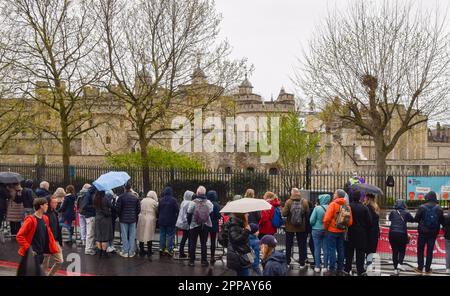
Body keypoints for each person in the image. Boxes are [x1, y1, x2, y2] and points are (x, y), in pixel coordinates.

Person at [16, 198, 59, 275]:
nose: (47, 206)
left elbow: (47, 235)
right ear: (41, 206)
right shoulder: (30, 220)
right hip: (33, 254)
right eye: (46, 204)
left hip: (41, 253)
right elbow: (19, 236)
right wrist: (29, 250)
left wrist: (49, 249)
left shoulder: (45, 218)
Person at [323, 189, 353, 276]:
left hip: (332, 231)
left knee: (332, 250)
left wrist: (326, 228)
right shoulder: (347, 206)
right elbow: (350, 222)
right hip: (342, 231)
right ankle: (340, 269)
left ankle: (332, 269)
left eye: (335, 193)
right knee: (341, 250)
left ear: (338, 195)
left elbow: (326, 219)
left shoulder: (333, 204)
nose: (333, 194)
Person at [413, 191, 444, 275]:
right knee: (430, 250)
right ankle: (427, 269)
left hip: (422, 233)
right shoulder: (439, 208)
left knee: (420, 249)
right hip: (433, 233)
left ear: (428, 197)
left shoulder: (422, 207)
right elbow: (442, 221)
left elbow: (416, 219)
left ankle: (420, 268)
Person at [344, 190, 371, 276]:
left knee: (349, 252)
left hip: (350, 232)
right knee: (360, 253)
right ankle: (360, 270)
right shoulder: (364, 208)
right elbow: (369, 222)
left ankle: (347, 269)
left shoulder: (348, 207)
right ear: (360, 197)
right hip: (361, 233)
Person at [281, 188, 309, 267]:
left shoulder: (288, 202)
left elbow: (284, 214)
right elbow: (307, 214)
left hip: (290, 227)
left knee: (288, 245)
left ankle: (287, 262)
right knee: (302, 245)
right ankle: (302, 263)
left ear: (292, 193)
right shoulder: (304, 202)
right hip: (301, 227)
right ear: (299, 193)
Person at [187, 186, 213, 267]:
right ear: (205, 193)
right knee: (203, 243)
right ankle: (204, 261)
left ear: (197, 193)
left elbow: (189, 213)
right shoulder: (208, 203)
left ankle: (191, 261)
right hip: (204, 225)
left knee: (193, 243)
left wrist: (189, 223)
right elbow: (210, 212)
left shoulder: (193, 202)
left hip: (194, 225)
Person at [388, 199, 415, 275]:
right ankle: (400, 264)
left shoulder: (393, 212)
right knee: (402, 250)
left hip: (392, 233)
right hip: (402, 234)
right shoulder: (406, 213)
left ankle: (395, 269)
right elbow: (412, 220)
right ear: (404, 205)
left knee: (394, 252)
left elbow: (390, 219)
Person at [116, 182, 141, 258]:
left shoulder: (121, 197)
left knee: (124, 235)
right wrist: (134, 214)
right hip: (133, 219)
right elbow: (138, 209)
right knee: (132, 235)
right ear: (130, 188)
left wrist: (120, 215)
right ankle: (131, 252)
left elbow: (118, 209)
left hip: (123, 219)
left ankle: (125, 251)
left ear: (124, 188)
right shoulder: (135, 197)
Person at [309, 194, 331, 273]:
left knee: (317, 248)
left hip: (316, 230)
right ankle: (325, 266)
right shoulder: (330, 207)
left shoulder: (317, 208)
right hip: (327, 230)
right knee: (326, 248)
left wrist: (314, 224)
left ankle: (317, 266)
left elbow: (311, 221)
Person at [43, 195, 64, 276]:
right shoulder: (44, 214)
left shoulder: (55, 212)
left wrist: (60, 242)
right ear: (49, 203)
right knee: (45, 263)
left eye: (56, 202)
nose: (56, 204)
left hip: (55, 241)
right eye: (54, 202)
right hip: (46, 241)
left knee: (60, 261)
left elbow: (58, 229)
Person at [157, 186, 179, 257]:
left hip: (161, 220)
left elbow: (158, 210)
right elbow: (177, 210)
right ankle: (168, 250)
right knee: (170, 235)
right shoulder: (173, 200)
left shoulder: (161, 200)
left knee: (162, 234)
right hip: (170, 220)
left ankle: (161, 248)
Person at [137, 191, 158, 258]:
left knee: (141, 234)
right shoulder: (154, 202)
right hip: (150, 219)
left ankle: (141, 250)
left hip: (141, 217)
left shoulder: (143, 200)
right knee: (150, 234)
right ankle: (149, 250)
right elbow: (157, 210)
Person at [93, 191, 113, 258]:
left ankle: (99, 252)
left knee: (99, 236)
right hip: (105, 219)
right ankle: (104, 253)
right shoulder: (105, 198)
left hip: (97, 218)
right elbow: (111, 206)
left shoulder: (95, 198)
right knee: (104, 237)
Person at [175, 190, 194, 258]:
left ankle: (181, 251)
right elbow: (189, 213)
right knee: (189, 238)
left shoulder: (183, 202)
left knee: (184, 237)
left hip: (181, 222)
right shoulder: (190, 203)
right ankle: (189, 252)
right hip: (187, 222)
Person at [364, 193, 380, 270]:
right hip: (375, 231)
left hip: (369, 231)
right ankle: (369, 264)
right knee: (372, 249)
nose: (364, 199)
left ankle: (368, 264)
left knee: (368, 249)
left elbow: (367, 221)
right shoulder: (376, 207)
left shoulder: (367, 208)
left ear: (368, 199)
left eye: (365, 197)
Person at [80, 185, 96, 255]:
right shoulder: (88, 195)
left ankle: (90, 247)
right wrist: (94, 206)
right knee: (90, 233)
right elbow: (85, 206)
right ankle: (88, 249)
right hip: (90, 216)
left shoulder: (88, 194)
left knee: (90, 233)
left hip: (89, 215)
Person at [207, 190, 221, 264]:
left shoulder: (206, 202)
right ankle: (212, 256)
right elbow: (219, 216)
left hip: (206, 224)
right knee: (213, 241)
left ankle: (204, 256)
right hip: (214, 225)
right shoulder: (216, 205)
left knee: (204, 241)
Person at [444, 210, 450, 274]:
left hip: (448, 236)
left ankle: (448, 268)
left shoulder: (446, 217)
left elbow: (443, 226)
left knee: (448, 253)